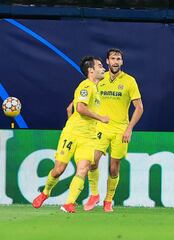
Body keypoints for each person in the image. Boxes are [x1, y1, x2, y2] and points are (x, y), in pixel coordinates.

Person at [32, 56, 109, 213]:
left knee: (84, 168)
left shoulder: (95, 89)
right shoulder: (86, 86)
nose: (103, 68)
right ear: (91, 70)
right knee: (59, 169)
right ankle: (45, 192)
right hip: (73, 134)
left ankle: (69, 203)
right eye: (100, 66)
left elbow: (70, 108)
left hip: (89, 137)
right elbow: (80, 108)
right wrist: (100, 118)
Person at [83, 48, 144, 212]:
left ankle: (108, 200)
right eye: (113, 59)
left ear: (122, 62)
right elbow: (86, 96)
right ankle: (94, 194)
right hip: (101, 126)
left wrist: (129, 128)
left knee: (114, 168)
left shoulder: (130, 81)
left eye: (118, 59)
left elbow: (139, 107)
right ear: (107, 61)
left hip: (120, 129)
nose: (115, 62)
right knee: (92, 161)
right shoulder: (99, 79)